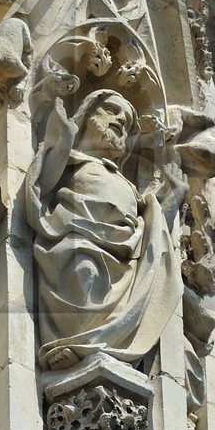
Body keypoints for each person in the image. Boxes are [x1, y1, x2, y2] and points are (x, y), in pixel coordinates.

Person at [27, 88, 181, 371]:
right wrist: (63, 140)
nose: (120, 120)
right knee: (83, 272)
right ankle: (73, 341)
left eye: (127, 120)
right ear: (87, 114)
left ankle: (96, 345)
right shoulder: (70, 159)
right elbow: (41, 185)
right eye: (111, 110)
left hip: (123, 256)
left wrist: (176, 196)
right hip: (78, 238)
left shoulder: (130, 186)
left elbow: (152, 230)